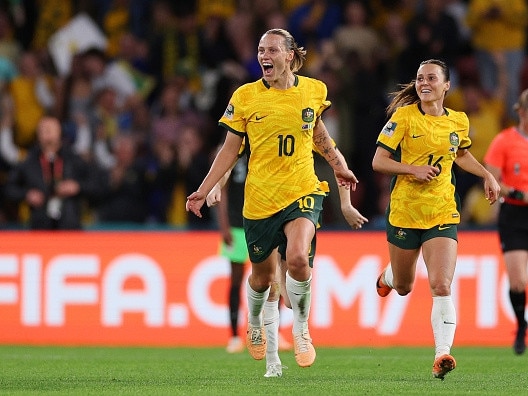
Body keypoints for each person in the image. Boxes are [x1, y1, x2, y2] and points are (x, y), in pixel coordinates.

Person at [186, 28, 359, 370]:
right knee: (263, 278)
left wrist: (340, 166)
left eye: (272, 50)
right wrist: (204, 190)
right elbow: (229, 150)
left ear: (290, 56)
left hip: (303, 189)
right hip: (261, 199)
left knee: (297, 258)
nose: (264, 56)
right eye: (261, 50)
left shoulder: (313, 90)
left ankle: (301, 329)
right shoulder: (246, 96)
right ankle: (253, 323)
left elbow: (318, 134)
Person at [372, 59, 501, 380]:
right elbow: (379, 161)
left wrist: (486, 174)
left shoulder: (458, 121)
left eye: (431, 78)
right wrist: (412, 169)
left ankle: (442, 353)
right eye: (419, 78)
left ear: (446, 86)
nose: (423, 83)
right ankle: (389, 276)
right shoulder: (403, 118)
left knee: (441, 284)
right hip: (404, 211)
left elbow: (460, 153)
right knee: (404, 286)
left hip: (442, 211)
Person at [207, 139, 367, 376]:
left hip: (297, 202)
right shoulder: (251, 125)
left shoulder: (305, 115)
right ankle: (259, 345)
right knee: (264, 282)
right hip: (258, 209)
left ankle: (299, 330)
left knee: (290, 290)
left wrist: (346, 204)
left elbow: (332, 153)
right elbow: (226, 159)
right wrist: (213, 187)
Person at [484, 88, 528, 355]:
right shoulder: (504, 141)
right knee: (518, 282)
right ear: (521, 112)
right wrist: (518, 192)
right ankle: (521, 326)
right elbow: (493, 180)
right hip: (515, 214)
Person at [4, 116, 102, 230]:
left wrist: (78, 186)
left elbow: (97, 184)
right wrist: (27, 194)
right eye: (43, 130)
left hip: (69, 226)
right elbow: (8, 188)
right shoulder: (28, 161)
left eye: (50, 129)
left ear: (59, 132)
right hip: (40, 227)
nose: (47, 134)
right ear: (38, 134)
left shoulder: (73, 159)